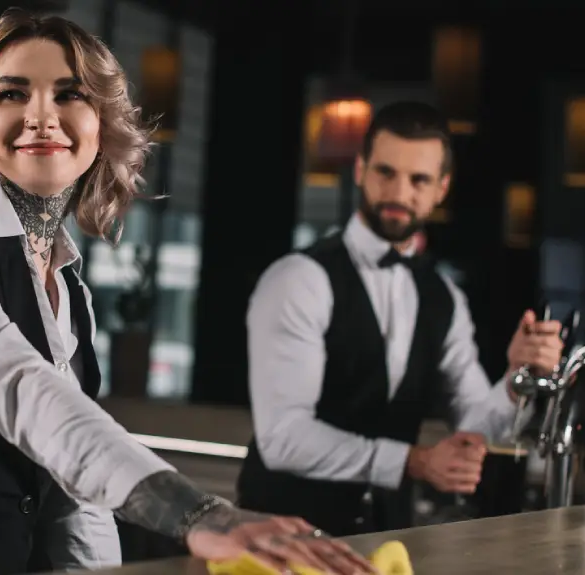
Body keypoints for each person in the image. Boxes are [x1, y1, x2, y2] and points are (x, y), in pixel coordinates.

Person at [0, 11, 373, 575]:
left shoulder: (69, 286)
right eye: (12, 93)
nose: (41, 117)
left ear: (103, 124)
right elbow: (16, 384)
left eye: (70, 94)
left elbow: (73, 496)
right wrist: (197, 513)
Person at [236, 101, 564, 537]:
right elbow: (283, 438)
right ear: (360, 170)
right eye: (385, 172)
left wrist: (515, 378)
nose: (398, 193)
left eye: (419, 180)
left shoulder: (444, 297)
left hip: (386, 540)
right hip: (277, 534)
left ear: (441, 189)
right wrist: (415, 461)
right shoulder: (299, 279)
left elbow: (472, 425)